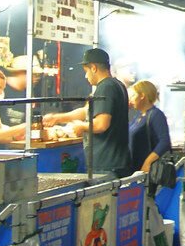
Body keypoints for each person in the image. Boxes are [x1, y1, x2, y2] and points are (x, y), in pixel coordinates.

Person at [44, 48, 130, 177]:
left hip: (107, 165)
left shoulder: (105, 87)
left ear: (94, 68)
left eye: (86, 71)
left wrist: (80, 126)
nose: (86, 76)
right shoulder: (117, 85)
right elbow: (86, 111)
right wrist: (58, 118)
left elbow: (101, 124)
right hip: (116, 162)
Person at [128, 80, 172, 176]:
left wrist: (148, 162)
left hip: (147, 170)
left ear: (142, 96)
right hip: (135, 168)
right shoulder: (138, 116)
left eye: (133, 96)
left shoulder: (156, 115)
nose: (130, 100)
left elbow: (164, 142)